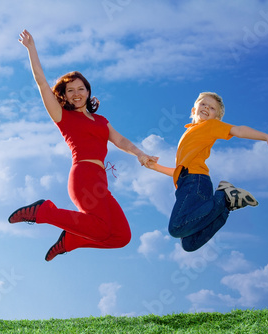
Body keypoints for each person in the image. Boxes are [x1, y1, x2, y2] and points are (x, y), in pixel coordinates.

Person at [9, 30, 157, 261]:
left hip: (100, 181)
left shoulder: (101, 121)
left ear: (88, 92)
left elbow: (120, 141)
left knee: (121, 236)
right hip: (83, 175)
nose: (77, 94)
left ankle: (71, 240)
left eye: (81, 89)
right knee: (100, 229)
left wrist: (140, 154)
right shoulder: (63, 117)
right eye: (71, 91)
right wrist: (31, 49)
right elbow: (40, 81)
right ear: (65, 96)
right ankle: (43, 212)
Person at [145, 92, 268, 252]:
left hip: (195, 183)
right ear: (193, 109)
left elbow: (239, 130)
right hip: (186, 183)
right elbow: (180, 171)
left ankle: (224, 196)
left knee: (176, 228)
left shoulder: (210, 126)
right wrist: (156, 167)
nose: (206, 108)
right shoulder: (190, 132)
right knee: (189, 244)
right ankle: (225, 207)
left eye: (212, 108)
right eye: (203, 104)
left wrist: (265, 137)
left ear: (216, 118)